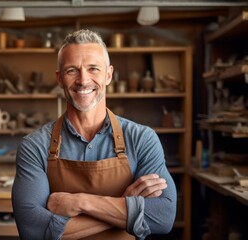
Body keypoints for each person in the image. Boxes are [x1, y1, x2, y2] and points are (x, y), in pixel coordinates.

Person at [12, 29, 177, 240]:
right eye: (72, 70)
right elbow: (33, 231)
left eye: (93, 69)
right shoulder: (35, 146)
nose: (83, 80)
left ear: (108, 75)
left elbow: (163, 217)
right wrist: (124, 205)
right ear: (59, 79)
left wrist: (80, 202)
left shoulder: (141, 138)